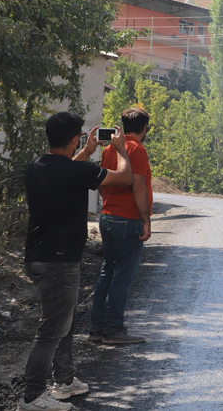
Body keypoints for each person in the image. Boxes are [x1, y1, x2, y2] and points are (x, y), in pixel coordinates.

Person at [21, 112, 131, 411]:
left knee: (63, 322)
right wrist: (120, 149)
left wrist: (86, 151)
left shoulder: (37, 165)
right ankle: (32, 397)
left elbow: (68, 169)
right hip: (59, 262)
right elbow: (124, 178)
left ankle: (65, 381)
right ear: (74, 138)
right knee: (52, 328)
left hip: (38, 257)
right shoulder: (74, 172)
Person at [89, 108, 153, 345]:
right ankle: (114, 329)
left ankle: (96, 329)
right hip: (128, 219)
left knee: (108, 271)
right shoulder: (136, 149)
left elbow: (99, 181)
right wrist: (146, 220)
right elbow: (138, 187)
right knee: (123, 275)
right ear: (144, 128)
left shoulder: (108, 149)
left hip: (107, 217)